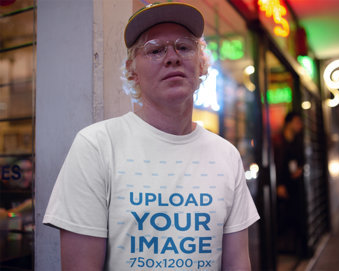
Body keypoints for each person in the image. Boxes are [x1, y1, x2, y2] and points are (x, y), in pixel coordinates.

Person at [43, 2, 259, 271]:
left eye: (184, 47)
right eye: (155, 50)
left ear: (201, 64)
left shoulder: (226, 155)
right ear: (132, 70)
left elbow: (238, 264)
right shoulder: (97, 146)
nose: (172, 57)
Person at [273, 111, 304, 254]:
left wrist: (300, 170)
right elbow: (276, 164)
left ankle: (294, 249)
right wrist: (279, 184)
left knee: (296, 217)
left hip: (295, 185)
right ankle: (281, 249)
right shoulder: (277, 141)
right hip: (281, 186)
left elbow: (302, 160)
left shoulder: (298, 141)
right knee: (281, 218)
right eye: (297, 122)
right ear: (289, 123)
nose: (300, 125)